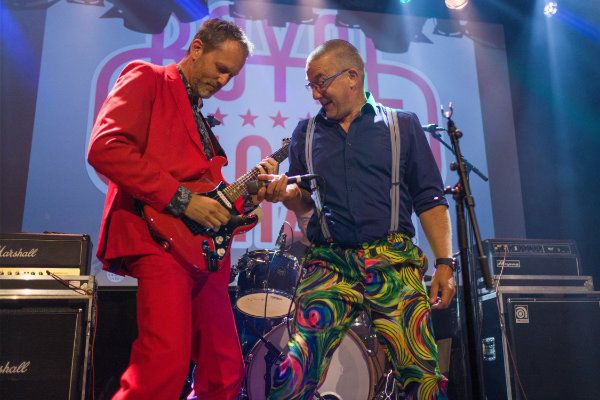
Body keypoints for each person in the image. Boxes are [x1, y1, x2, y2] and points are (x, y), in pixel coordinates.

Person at [88, 19, 278, 400]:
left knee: (226, 370)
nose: (224, 80)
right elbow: (105, 147)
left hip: (203, 252)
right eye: (220, 68)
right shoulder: (147, 78)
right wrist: (185, 201)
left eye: (231, 75)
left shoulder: (200, 116)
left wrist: (250, 196)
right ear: (196, 48)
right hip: (159, 241)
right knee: (162, 369)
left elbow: (209, 193)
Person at [259, 39, 456, 399]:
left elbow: (429, 199)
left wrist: (445, 263)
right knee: (294, 372)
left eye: (321, 82)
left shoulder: (402, 126)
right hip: (331, 263)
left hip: (393, 262)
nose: (315, 93)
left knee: (423, 377)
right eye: (311, 85)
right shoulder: (306, 133)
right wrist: (286, 194)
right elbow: (304, 198)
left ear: (352, 76)